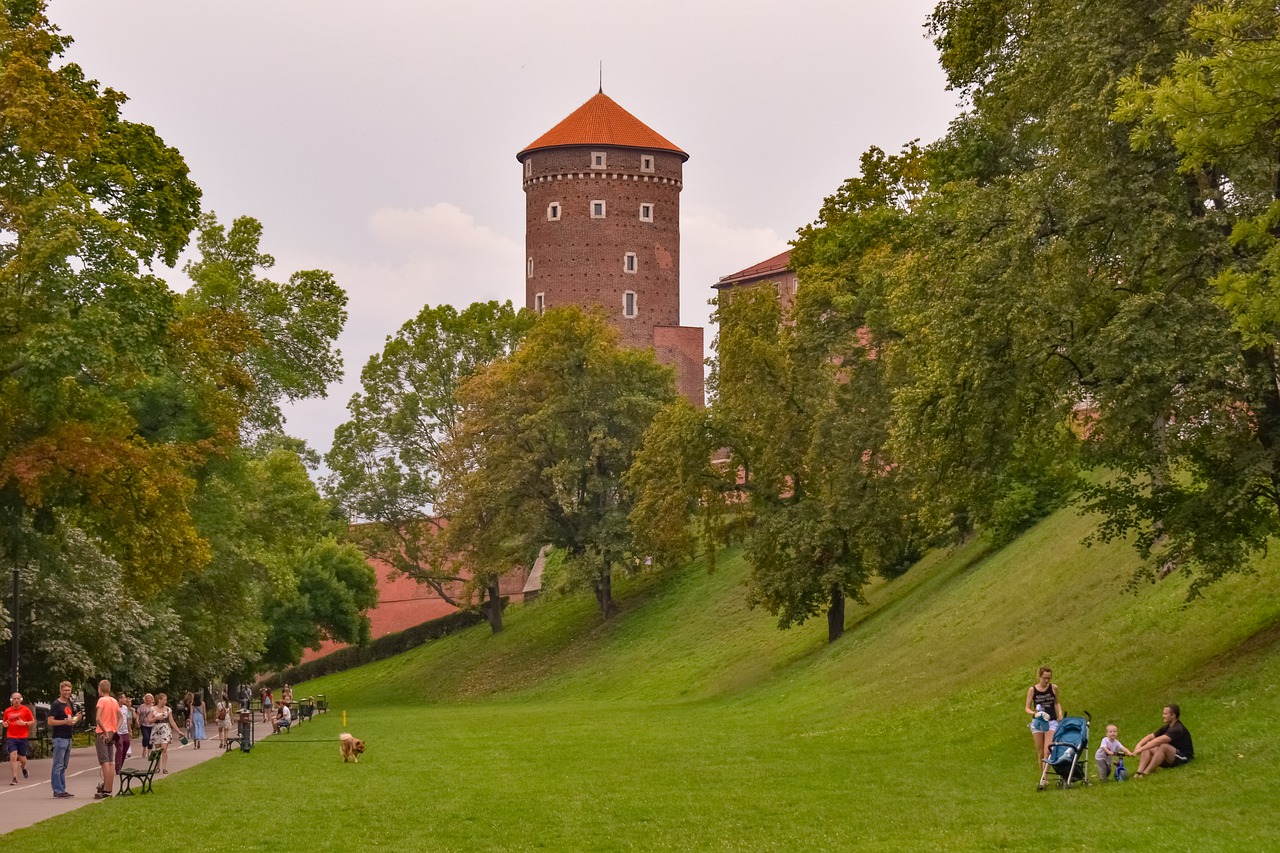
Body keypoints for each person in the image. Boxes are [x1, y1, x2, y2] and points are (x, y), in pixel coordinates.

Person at [1132, 703, 1194, 777]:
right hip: (1171, 756)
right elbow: (1150, 737)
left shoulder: (1177, 728)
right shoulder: (1167, 726)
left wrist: (1140, 750)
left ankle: (1146, 772)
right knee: (1148, 746)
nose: (1163, 716)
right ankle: (1139, 772)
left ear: (1173, 715)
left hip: (1183, 758)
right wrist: (1138, 745)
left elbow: (1159, 740)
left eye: (1165, 714)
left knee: (1163, 746)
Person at [1024, 666, 1063, 770]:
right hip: (1039, 721)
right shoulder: (1032, 690)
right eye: (1044, 678)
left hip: (1051, 721)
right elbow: (1027, 708)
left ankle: (1045, 776)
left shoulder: (1053, 688)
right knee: (1040, 752)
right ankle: (1042, 778)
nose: (1046, 681)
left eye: (1049, 678)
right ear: (1039, 677)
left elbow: (1056, 702)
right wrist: (1034, 713)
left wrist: (1059, 712)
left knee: (1048, 750)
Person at [48, 680, 81, 798]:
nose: (67, 692)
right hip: (59, 737)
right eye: (65, 690)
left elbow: (71, 718)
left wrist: (76, 718)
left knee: (64, 765)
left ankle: (62, 788)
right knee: (58, 764)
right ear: (60, 690)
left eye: (68, 690)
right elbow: (50, 721)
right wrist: (65, 722)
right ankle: (57, 790)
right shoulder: (56, 704)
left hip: (68, 737)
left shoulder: (69, 703)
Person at [94, 679, 120, 799]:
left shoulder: (101, 700)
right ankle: (109, 788)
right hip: (112, 731)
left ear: (100, 688)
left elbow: (98, 718)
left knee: (104, 762)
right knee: (110, 762)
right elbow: (121, 717)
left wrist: (104, 731)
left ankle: (105, 789)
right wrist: (114, 730)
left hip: (102, 732)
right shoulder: (114, 701)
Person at [3, 692, 35, 785]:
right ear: (11, 700)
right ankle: (14, 777)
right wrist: (5, 724)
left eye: (18, 698)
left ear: (21, 700)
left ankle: (23, 767)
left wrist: (24, 723)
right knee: (13, 756)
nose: (16, 700)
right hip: (11, 737)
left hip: (22, 737)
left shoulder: (25, 710)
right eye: (14, 699)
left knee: (22, 758)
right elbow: (5, 722)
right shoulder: (7, 711)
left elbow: (32, 721)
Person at [151, 693, 175, 774]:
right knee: (157, 750)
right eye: (164, 700)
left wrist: (178, 731)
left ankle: (164, 768)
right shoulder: (153, 709)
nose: (166, 701)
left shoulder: (168, 709)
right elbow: (148, 720)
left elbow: (171, 721)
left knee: (164, 748)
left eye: (166, 700)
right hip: (156, 729)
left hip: (165, 729)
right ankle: (157, 767)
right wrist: (156, 718)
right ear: (159, 700)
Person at [114, 694, 133, 774]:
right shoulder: (115, 707)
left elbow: (127, 719)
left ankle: (120, 766)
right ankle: (117, 768)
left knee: (126, 747)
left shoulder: (125, 708)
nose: (125, 699)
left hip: (125, 731)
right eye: (124, 697)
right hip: (117, 731)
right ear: (119, 699)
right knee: (120, 748)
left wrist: (129, 730)